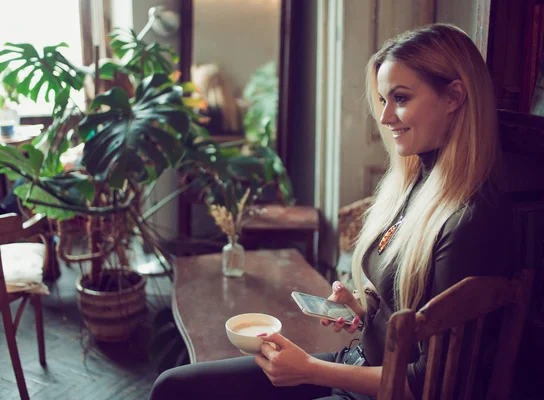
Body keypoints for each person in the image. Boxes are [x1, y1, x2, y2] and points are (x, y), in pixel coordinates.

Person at [149, 23, 514, 400]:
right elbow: (406, 303)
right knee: (176, 387)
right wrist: (363, 308)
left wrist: (309, 371)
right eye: (384, 100)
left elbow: (427, 384)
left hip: (377, 391)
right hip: (356, 364)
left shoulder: (470, 222)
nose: (386, 118)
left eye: (401, 98)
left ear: (454, 96)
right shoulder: (420, 183)